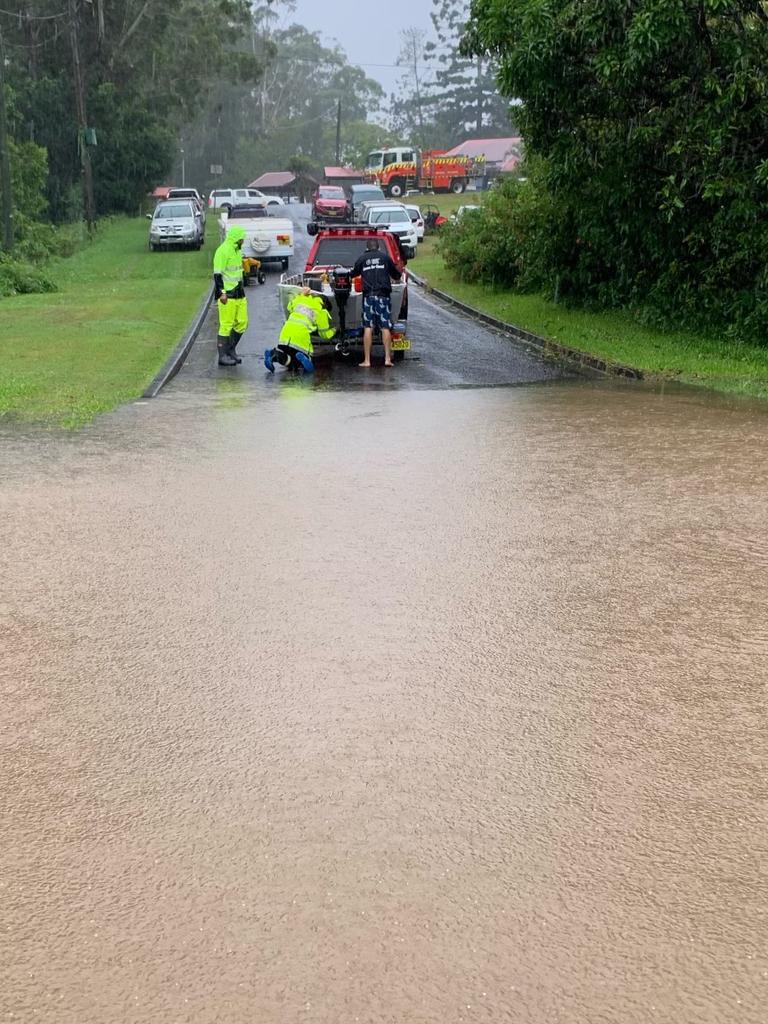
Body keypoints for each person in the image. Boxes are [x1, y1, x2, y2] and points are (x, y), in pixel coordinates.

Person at [352, 238, 403, 368]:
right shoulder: (385, 258)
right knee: (385, 326)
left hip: (369, 297)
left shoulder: (362, 259)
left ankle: (367, 361)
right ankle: (387, 359)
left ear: (367, 248)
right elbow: (396, 275)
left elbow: (353, 273)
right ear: (379, 247)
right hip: (383, 297)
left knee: (368, 327)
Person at [264, 287, 335, 373]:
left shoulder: (301, 299)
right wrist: (335, 330)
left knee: (287, 357)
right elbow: (324, 334)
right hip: (300, 339)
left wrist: (302, 294)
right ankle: (304, 357)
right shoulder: (322, 311)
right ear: (325, 305)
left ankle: (273, 355)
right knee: (296, 363)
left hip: (285, 335)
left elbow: (289, 307)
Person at [213, 225, 248, 367]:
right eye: (242, 239)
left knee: (242, 323)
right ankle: (223, 356)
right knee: (226, 325)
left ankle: (230, 349)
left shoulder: (237, 250)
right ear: (236, 239)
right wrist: (222, 293)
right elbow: (217, 274)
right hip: (227, 295)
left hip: (239, 293)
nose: (243, 242)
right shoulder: (223, 251)